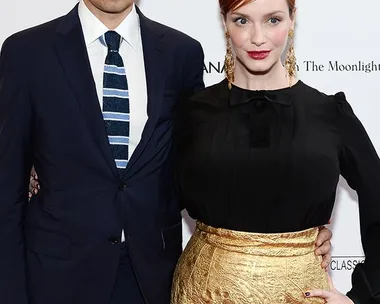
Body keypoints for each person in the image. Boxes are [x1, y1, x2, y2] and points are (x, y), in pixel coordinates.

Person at [4, 1, 332, 304]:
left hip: (153, 277)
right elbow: (7, 187)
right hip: (55, 277)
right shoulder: (27, 52)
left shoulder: (181, 53)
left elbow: (207, 166)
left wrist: (294, 235)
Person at [170, 0, 380, 303]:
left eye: (273, 20)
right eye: (242, 21)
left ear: (292, 19)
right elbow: (155, 204)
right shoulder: (194, 113)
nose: (258, 37)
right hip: (203, 293)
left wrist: (363, 294)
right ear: (224, 22)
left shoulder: (329, 114)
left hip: (301, 294)